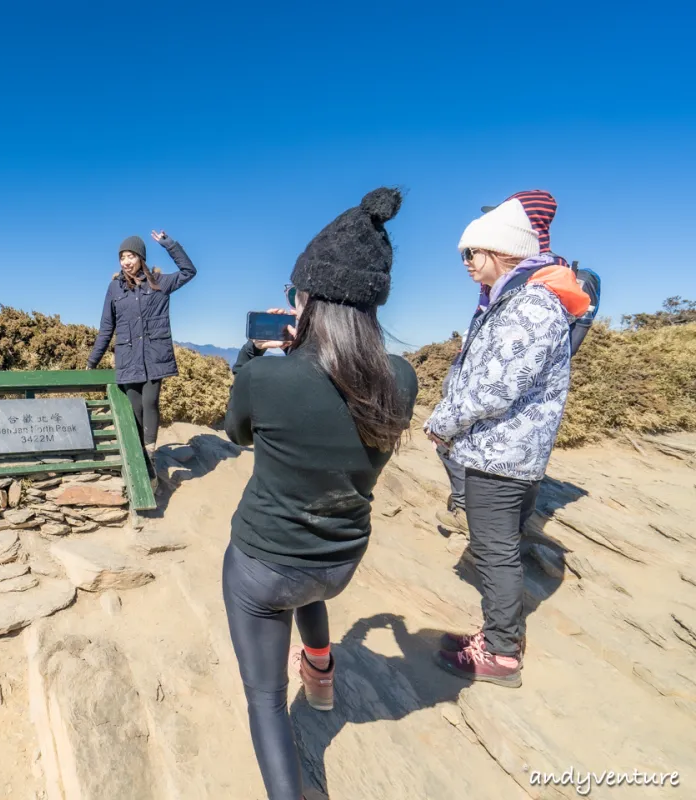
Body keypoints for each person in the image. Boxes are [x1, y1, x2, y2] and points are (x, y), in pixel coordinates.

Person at [221, 188, 419, 800]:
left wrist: (250, 360)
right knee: (304, 586)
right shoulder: (402, 380)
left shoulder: (266, 376)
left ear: (307, 301)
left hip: (262, 567)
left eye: (293, 295)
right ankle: (323, 673)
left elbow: (236, 432)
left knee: (263, 700)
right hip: (338, 562)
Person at [425, 199, 590, 687]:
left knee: (494, 550)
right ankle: (498, 634)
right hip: (507, 450)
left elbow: (495, 387)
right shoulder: (521, 298)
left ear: (502, 250)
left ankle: (499, 653)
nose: (467, 264)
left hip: (501, 453)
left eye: (471, 253)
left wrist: (444, 421)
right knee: (499, 547)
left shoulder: (530, 305)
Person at [434, 190, 597, 535]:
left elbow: (509, 377)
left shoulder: (536, 287)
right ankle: (485, 512)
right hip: (504, 395)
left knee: (480, 441)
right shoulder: (536, 278)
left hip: (511, 399)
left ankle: (476, 512)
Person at [87, 230, 197, 484]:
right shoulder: (114, 288)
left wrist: (170, 245)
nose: (126, 261)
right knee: (134, 408)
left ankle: (150, 457)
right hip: (128, 358)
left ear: (141, 258)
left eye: (131, 256)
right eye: (122, 257)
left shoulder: (159, 282)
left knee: (150, 402)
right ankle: (138, 458)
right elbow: (107, 327)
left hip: (154, 358)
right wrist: (93, 360)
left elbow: (189, 271)